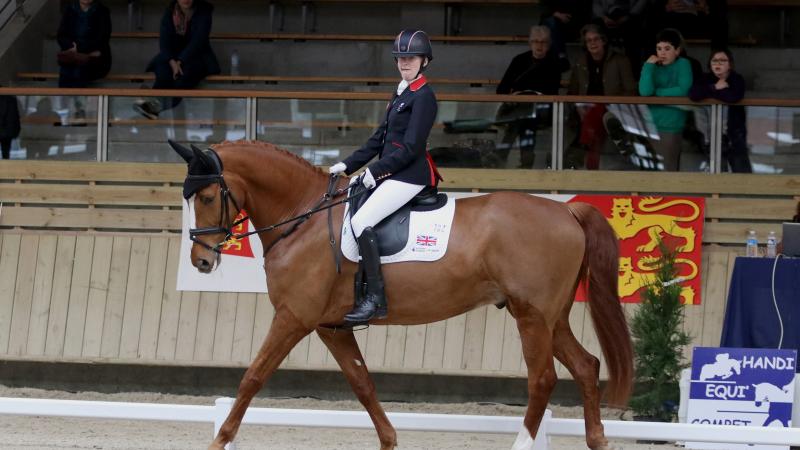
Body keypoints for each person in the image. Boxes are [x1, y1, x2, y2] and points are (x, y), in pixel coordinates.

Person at [328, 30, 440, 324]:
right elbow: (380, 139)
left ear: (424, 61)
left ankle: (375, 298)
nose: (405, 63)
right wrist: (348, 164)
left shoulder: (424, 96)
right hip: (394, 170)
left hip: (410, 175)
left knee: (361, 221)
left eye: (411, 58)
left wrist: (375, 172)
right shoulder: (402, 90)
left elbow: (412, 148)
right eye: (400, 58)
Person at [134, 0, 220, 119]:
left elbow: (199, 41)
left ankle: (154, 106)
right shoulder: (170, 12)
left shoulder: (204, 11)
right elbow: (164, 41)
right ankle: (151, 102)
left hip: (197, 56)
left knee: (183, 77)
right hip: (172, 57)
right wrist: (172, 61)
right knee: (162, 70)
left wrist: (180, 61)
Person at [566, 24, 636, 169]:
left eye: (596, 39)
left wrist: (612, 104)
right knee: (594, 128)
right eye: (588, 40)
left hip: (614, 110)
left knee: (594, 119)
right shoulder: (581, 62)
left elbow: (631, 91)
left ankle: (578, 155)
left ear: (603, 41)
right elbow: (573, 91)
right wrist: (578, 106)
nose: (592, 43)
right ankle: (591, 167)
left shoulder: (620, 60)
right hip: (585, 110)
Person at [493, 26, 561, 169]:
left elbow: (552, 91)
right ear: (530, 43)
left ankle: (500, 156)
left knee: (523, 115)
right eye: (536, 41)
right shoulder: (519, 60)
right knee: (524, 116)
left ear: (548, 45)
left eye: (543, 42)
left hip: (542, 109)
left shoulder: (554, 63)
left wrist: (532, 95)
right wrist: (515, 95)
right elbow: (501, 89)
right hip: (517, 107)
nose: (539, 45)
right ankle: (526, 161)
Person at [638, 28, 693, 171]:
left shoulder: (683, 64)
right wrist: (648, 66)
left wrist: (658, 93)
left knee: (668, 170)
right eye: (659, 48)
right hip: (650, 125)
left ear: (677, 51)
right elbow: (645, 92)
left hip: (672, 124)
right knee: (649, 171)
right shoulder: (653, 66)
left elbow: (684, 89)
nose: (662, 53)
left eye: (667, 49)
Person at [689, 48, 751, 173]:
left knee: (741, 170)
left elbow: (734, 97)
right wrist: (715, 87)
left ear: (730, 64)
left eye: (722, 60)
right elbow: (693, 94)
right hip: (711, 135)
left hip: (734, 135)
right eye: (714, 61)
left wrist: (710, 93)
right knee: (718, 172)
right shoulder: (705, 78)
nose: (718, 64)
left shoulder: (736, 79)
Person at [56, 0, 112, 88]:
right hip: (73, 56)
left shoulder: (102, 11)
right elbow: (61, 35)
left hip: (93, 58)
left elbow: (102, 39)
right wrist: (71, 47)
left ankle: (77, 98)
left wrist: (79, 49)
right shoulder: (70, 9)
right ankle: (66, 97)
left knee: (80, 69)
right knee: (67, 70)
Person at [592, 0, 649, 76]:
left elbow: (641, 3)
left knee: (633, 33)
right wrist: (603, 17)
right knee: (597, 31)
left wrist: (628, 16)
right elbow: (596, 3)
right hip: (606, 15)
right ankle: (601, 70)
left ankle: (634, 73)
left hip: (630, 15)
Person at [539, 0, 590, 72]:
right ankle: (561, 57)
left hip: (574, 23)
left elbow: (586, 9)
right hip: (553, 22)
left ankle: (588, 61)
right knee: (550, 23)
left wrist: (570, 19)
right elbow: (543, 6)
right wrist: (556, 14)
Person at [0, 91, 21, 160]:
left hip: (7, 131)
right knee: (6, 153)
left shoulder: (11, 99)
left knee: (6, 152)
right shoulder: (11, 99)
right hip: (8, 132)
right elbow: (17, 115)